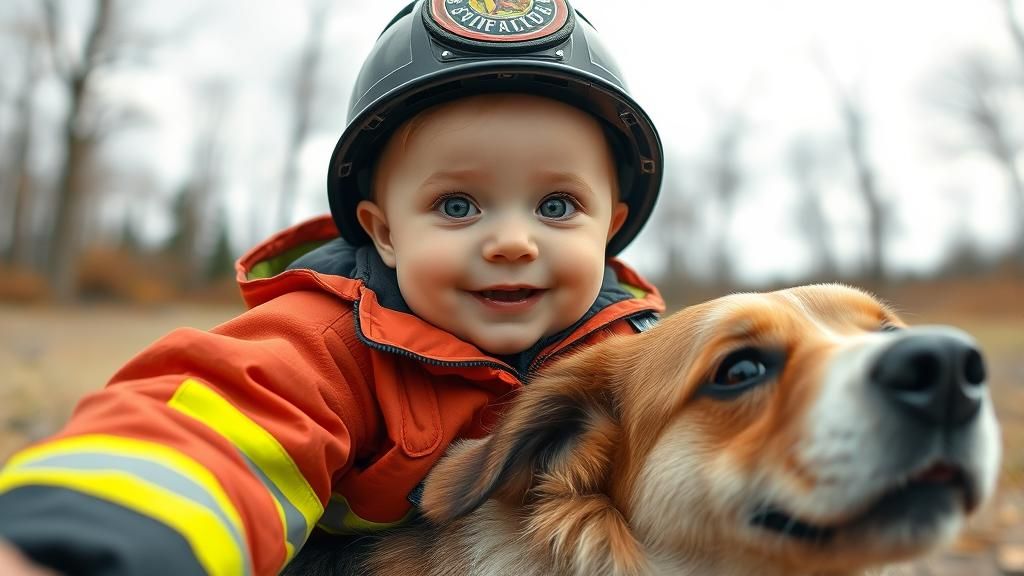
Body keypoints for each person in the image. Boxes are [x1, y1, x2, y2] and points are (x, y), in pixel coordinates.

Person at [0, 1, 665, 574]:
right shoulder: (332, 338)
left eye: (556, 207)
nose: (513, 241)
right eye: (458, 206)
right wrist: (84, 541)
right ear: (385, 234)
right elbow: (215, 431)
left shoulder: (637, 358)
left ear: (609, 228)